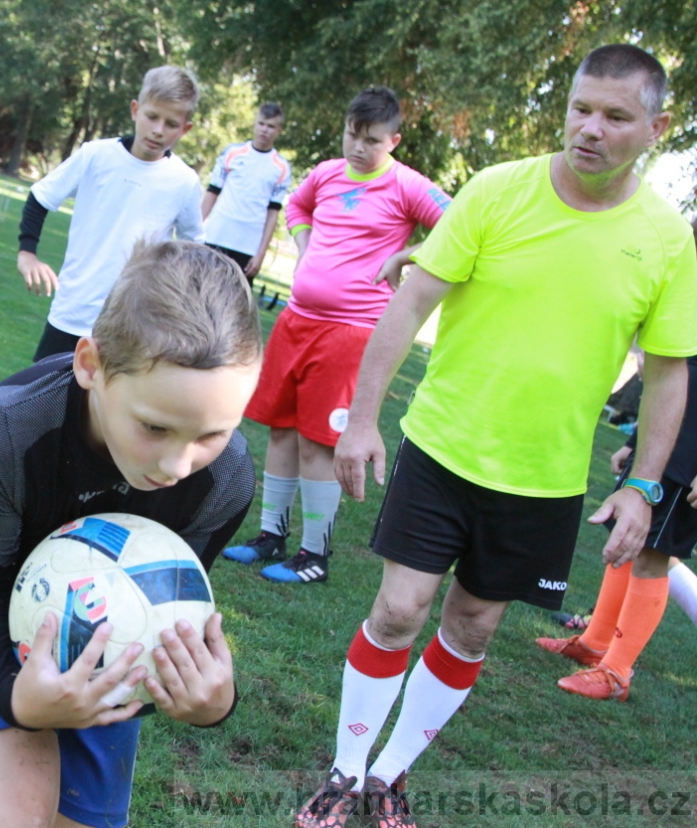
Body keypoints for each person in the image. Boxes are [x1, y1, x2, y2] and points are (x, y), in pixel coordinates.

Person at [295, 45, 697, 828]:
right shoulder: (498, 189)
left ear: (657, 127)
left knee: (473, 625)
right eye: (581, 107)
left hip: (543, 480)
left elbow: (671, 373)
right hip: (444, 448)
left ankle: (391, 776)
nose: (589, 128)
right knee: (398, 610)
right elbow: (409, 304)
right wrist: (365, 419)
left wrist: (645, 486)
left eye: (615, 117)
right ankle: (344, 770)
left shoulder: (668, 240)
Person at [0, 240, 258, 828]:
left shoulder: (226, 478)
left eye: (212, 434)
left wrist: (212, 702)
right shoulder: (2, 430)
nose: (179, 465)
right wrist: (16, 698)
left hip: (110, 635)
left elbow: (166, 612)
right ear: (91, 365)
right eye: (155, 427)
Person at [222, 87, 449, 586]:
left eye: (371, 140)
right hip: (296, 321)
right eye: (352, 133)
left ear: (394, 140)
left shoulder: (407, 185)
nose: (358, 147)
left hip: (351, 332)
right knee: (280, 429)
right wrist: (305, 247)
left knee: (318, 442)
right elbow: (298, 209)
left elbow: (458, 226)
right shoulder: (326, 172)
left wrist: (407, 256)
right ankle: (271, 536)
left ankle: (314, 555)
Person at [537, 219, 697, 701]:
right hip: (661, 443)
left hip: (688, 459)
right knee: (628, 539)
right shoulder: (687, 279)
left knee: (653, 553)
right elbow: (671, 373)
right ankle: (594, 643)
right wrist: (635, 440)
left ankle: (617, 673)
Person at [18, 66, 205, 362]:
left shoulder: (184, 182)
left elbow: (194, 249)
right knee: (46, 401)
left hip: (132, 324)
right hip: (72, 310)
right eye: (152, 116)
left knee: (108, 407)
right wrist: (27, 253)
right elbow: (41, 196)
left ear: (185, 129)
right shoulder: (96, 155)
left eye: (171, 123)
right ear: (135, 110)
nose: (158, 129)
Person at [201, 102, 292, 282]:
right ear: (255, 124)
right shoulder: (232, 153)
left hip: (247, 247)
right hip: (215, 236)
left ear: (279, 130)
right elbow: (212, 193)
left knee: (232, 306)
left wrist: (261, 254)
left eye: (271, 126)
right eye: (261, 124)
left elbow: (273, 214)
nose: (265, 130)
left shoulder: (281, 168)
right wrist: (194, 232)